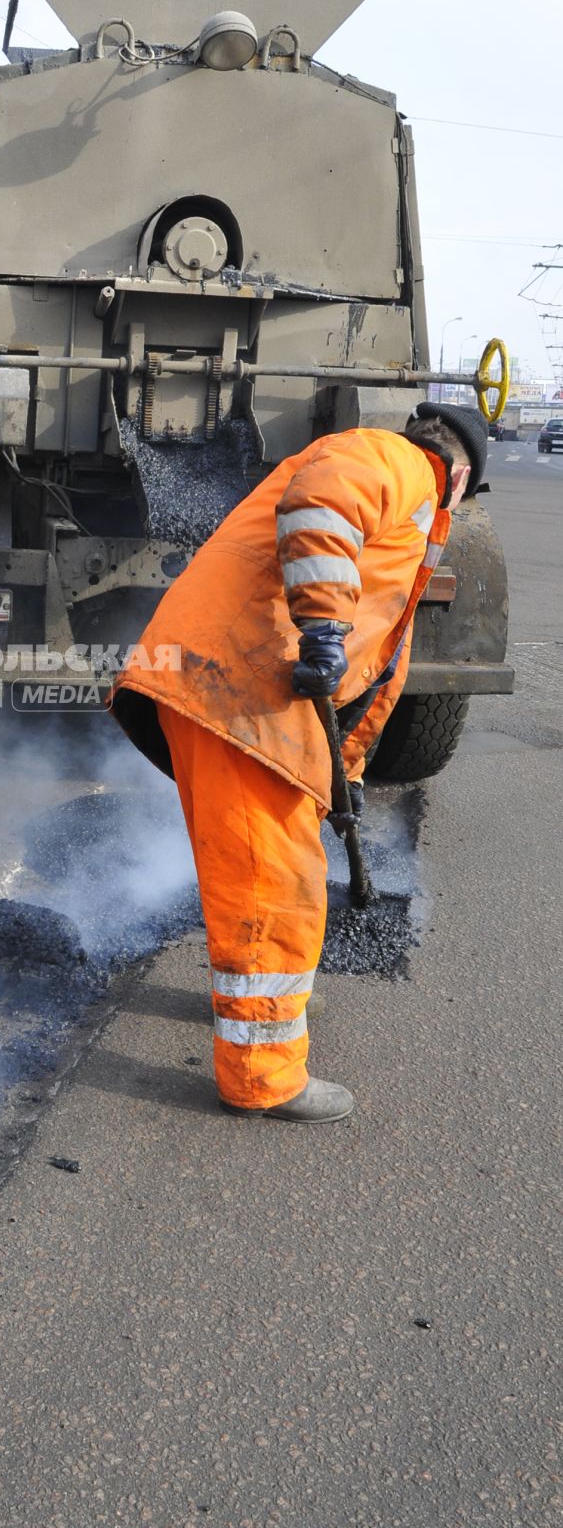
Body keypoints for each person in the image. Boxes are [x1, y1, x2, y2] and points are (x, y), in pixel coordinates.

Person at [110, 402, 487, 1124]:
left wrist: (341, 769)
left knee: (263, 871)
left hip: (235, 685)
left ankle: (247, 1009)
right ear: (461, 472)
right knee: (274, 887)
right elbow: (321, 504)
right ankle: (261, 1076)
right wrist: (321, 622)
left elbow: (375, 673)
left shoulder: (403, 506)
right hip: (237, 688)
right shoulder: (396, 462)